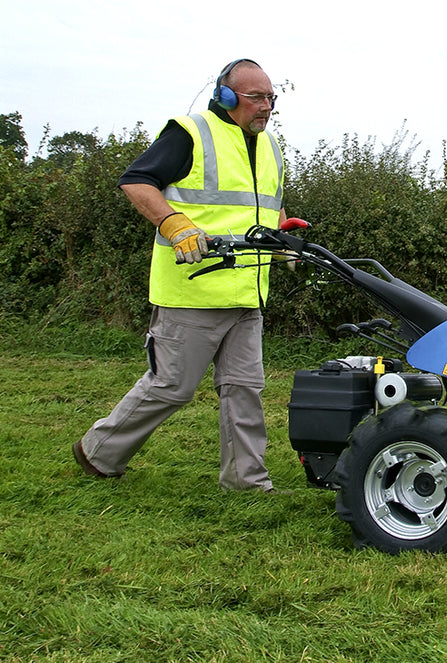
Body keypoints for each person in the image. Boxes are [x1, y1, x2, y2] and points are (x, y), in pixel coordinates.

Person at [73, 58, 289, 492]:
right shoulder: (190, 133)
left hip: (246, 292)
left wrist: (283, 236)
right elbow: (137, 182)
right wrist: (174, 224)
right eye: (255, 97)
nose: (265, 106)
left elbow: (266, 204)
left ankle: (247, 482)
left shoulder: (270, 146)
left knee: (244, 390)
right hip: (192, 291)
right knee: (171, 387)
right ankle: (99, 451)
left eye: (271, 97)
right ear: (226, 97)